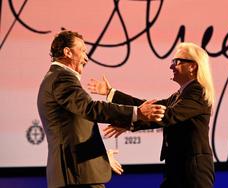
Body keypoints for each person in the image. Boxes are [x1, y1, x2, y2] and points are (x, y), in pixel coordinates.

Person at [37, 30, 166, 188]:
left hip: (77, 173)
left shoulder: (55, 77)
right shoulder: (62, 78)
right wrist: (136, 112)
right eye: (83, 51)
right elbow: (91, 108)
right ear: (67, 52)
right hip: (77, 176)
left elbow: (72, 130)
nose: (86, 57)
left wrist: (100, 156)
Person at [88, 42, 215, 188]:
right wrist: (111, 94)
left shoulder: (197, 92)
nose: (171, 66)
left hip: (193, 170)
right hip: (178, 167)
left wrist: (131, 121)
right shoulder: (178, 95)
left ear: (192, 66)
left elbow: (168, 116)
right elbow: (148, 107)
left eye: (176, 62)